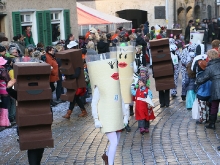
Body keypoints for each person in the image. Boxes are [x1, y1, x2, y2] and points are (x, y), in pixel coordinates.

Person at [6, 79, 45, 165]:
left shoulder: (43, 93)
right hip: (29, 128)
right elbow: (15, 94)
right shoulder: (23, 95)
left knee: (38, 150)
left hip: (40, 127)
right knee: (33, 150)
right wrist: (9, 87)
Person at [0, 57, 10, 127]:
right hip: (4, 90)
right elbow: (7, 79)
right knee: (5, 106)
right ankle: (4, 122)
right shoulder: (3, 69)